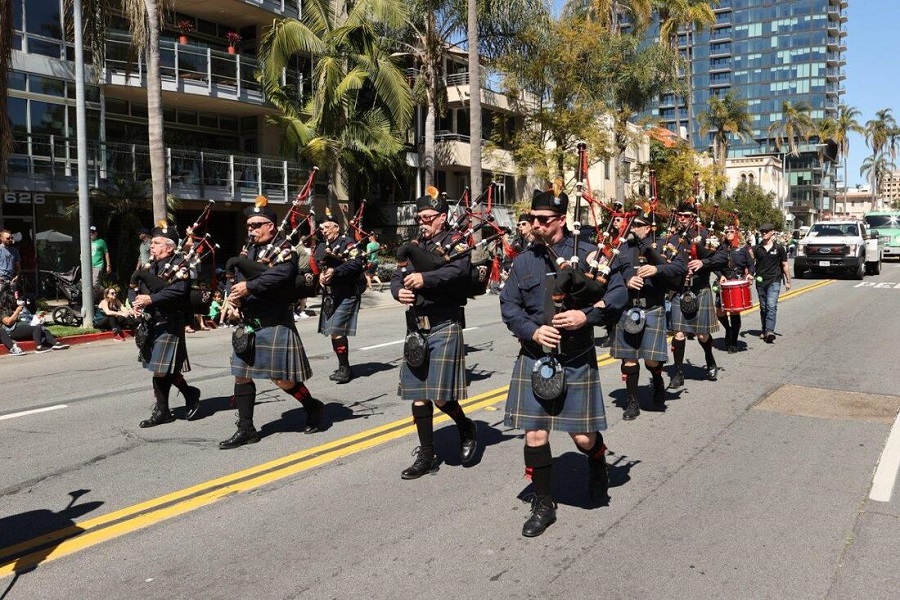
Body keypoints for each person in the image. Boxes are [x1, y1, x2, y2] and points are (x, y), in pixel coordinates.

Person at [500, 190, 626, 537]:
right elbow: (509, 306)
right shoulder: (524, 261)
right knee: (535, 433)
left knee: (583, 438)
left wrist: (585, 317)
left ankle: (597, 461)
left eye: (544, 220)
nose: (535, 225)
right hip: (535, 356)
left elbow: (617, 294)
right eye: (533, 218)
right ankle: (544, 503)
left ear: (561, 220)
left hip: (575, 356)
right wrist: (533, 330)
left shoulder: (589, 254)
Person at [220, 198, 323, 449]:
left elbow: (282, 275)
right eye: (249, 225)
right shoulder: (250, 250)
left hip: (275, 321)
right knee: (241, 375)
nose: (251, 229)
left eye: (256, 225)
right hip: (249, 323)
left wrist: (249, 287)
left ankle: (312, 405)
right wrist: (231, 298)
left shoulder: (284, 248)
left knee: (281, 380)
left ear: (271, 226)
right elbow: (235, 278)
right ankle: (246, 429)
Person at [391, 193, 478, 480]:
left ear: (442, 217)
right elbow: (397, 274)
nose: (422, 223)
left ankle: (465, 426)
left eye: (427, 218)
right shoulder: (415, 245)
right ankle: (426, 456)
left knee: (440, 397)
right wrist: (398, 291)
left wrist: (424, 279)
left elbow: (457, 272)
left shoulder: (457, 242)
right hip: (416, 328)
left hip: (444, 324)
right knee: (418, 396)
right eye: (419, 218)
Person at [611, 212, 687, 421]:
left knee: (652, 360)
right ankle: (633, 401)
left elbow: (680, 267)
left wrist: (656, 269)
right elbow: (608, 274)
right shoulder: (620, 249)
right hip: (628, 309)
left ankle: (657, 379)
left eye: (637, 224)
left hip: (653, 308)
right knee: (629, 360)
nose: (632, 227)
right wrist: (626, 281)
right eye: (630, 224)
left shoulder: (662, 245)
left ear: (648, 228)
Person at [132, 224, 201, 427]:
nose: (151, 246)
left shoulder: (181, 265)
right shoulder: (151, 266)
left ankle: (164, 410)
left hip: (170, 321)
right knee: (160, 368)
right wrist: (136, 303)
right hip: (151, 322)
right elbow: (138, 287)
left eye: (155, 243)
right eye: (151, 242)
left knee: (159, 370)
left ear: (170, 247)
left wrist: (150, 300)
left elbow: (179, 291)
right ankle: (187, 395)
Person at [665, 201, 728, 389]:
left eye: (686, 215)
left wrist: (703, 263)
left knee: (702, 335)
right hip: (679, 290)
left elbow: (722, 258)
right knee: (678, 333)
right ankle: (677, 372)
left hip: (699, 289)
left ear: (693, 217)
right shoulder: (672, 238)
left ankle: (709, 359)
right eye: (680, 215)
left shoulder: (706, 236)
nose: (682, 218)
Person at [314, 216, 365, 384]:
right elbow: (318, 264)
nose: (324, 231)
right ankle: (343, 365)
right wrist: (320, 276)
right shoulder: (322, 246)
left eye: (327, 227)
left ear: (336, 228)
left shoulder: (348, 243)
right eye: (322, 228)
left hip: (347, 292)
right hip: (330, 294)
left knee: (336, 330)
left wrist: (336, 271)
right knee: (333, 332)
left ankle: (345, 368)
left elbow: (356, 263)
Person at [715, 225, 755, 353]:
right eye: (726, 231)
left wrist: (749, 274)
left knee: (734, 311)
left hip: (737, 281)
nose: (728, 233)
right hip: (723, 282)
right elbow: (714, 264)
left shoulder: (744, 248)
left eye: (731, 231)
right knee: (719, 312)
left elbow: (751, 264)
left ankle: (733, 343)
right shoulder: (720, 247)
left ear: (737, 233)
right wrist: (720, 276)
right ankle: (728, 329)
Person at [752, 223, 791, 343]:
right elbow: (751, 264)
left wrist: (788, 281)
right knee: (763, 307)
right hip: (760, 281)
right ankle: (764, 330)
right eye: (762, 231)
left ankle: (770, 331)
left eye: (766, 231)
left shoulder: (779, 248)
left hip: (774, 280)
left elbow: (785, 265)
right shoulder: (756, 249)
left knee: (771, 306)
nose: (764, 233)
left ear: (772, 232)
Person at [0, 289, 69, 353]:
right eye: (13, 298)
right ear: (8, 300)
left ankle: (55, 343)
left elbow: (26, 316)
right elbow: (8, 322)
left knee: (43, 328)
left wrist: (36, 316)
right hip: (11, 330)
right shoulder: (2, 310)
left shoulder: (15, 307)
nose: (16, 299)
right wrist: (17, 311)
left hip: (21, 326)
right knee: (36, 328)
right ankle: (39, 347)